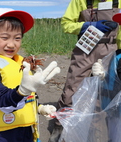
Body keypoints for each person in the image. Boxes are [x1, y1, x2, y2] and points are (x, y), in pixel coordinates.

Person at [0, 8, 61, 142]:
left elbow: (25, 99)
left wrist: (40, 108)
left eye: (17, 38)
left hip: (25, 131)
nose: (11, 44)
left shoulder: (21, 64)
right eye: (5, 37)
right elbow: (1, 101)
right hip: (0, 136)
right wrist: (23, 91)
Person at [50, 0, 121, 141]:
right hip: (85, 47)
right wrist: (88, 25)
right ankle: (59, 128)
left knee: (106, 93)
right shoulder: (79, 1)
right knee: (72, 88)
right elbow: (66, 24)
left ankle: (98, 131)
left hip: (111, 48)